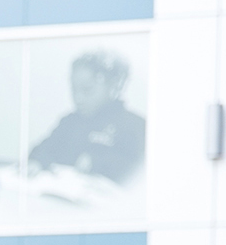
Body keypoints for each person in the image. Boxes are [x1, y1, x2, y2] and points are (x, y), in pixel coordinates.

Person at [28, 51, 146, 184]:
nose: (78, 98)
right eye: (74, 89)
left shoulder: (134, 125)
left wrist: (97, 162)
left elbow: (137, 169)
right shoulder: (70, 122)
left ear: (113, 86)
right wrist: (37, 162)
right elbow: (44, 149)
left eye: (87, 90)